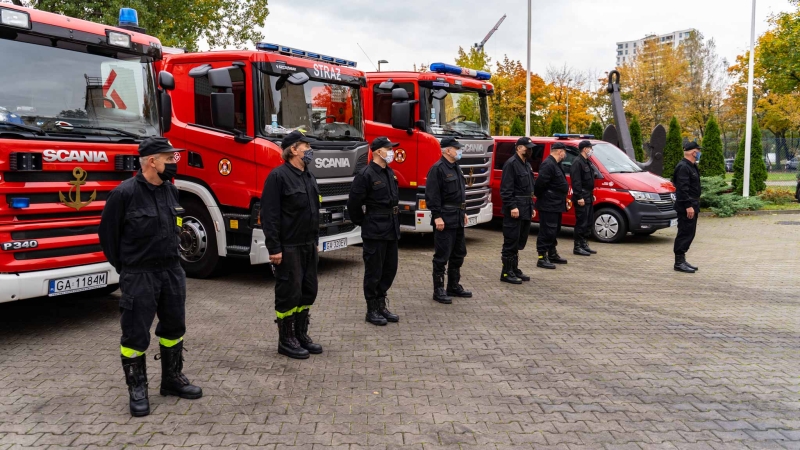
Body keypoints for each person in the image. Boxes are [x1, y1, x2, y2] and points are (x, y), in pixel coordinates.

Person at [99, 137, 202, 418]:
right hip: (139, 274)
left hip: (171, 271)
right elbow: (108, 238)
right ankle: (138, 388)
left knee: (173, 328)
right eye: (169, 159)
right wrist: (128, 269)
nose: (173, 163)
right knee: (134, 334)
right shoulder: (124, 194)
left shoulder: (171, 191)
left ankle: (171, 379)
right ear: (152, 161)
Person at [260, 130, 323, 359]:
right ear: (293, 150)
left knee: (308, 290)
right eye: (306, 146)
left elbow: (314, 210)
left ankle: (300, 334)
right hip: (288, 246)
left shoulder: (309, 176)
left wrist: (315, 240)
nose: (310, 150)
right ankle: (286, 339)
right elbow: (270, 215)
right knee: (289, 292)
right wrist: (274, 248)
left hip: (308, 245)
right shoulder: (278, 177)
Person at [347, 137, 401, 326]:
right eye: (389, 148)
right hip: (374, 230)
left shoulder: (389, 172)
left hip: (391, 228)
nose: (392, 152)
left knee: (389, 269)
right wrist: (363, 222)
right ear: (378, 151)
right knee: (374, 271)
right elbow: (353, 204)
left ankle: (381, 304)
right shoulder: (366, 175)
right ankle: (372, 309)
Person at [425, 137, 471, 304]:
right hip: (445, 217)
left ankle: (453, 285)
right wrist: (437, 216)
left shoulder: (456, 167)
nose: (459, 151)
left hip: (457, 217)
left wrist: (463, 211)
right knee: (442, 255)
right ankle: (438, 290)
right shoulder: (438, 169)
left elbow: (460, 194)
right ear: (446, 150)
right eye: (456, 148)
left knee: (459, 253)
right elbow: (432, 195)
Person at [499, 137, 536, 284]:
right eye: (527, 147)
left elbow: (530, 189)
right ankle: (506, 272)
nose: (529, 150)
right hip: (515, 209)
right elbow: (506, 189)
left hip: (525, 207)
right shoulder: (511, 164)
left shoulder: (526, 164)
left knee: (520, 240)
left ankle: (514, 268)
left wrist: (532, 206)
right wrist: (512, 206)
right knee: (511, 240)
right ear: (519, 148)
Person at [534, 142, 570, 269]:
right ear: (560, 152)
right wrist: (545, 197)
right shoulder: (548, 164)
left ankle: (552, 253)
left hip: (556, 203)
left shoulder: (557, 164)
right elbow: (539, 185)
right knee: (547, 230)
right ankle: (542, 257)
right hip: (548, 204)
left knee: (555, 229)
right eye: (564, 152)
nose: (565, 155)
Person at [672, 142, 702, 273]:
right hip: (686, 205)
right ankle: (678, 262)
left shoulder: (692, 166)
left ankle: (682, 260)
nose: (700, 153)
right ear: (693, 152)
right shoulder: (683, 167)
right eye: (698, 150)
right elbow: (682, 189)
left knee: (689, 232)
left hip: (692, 204)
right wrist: (688, 206)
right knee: (684, 233)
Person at [570, 140, 598, 256]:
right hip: (581, 196)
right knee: (581, 222)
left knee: (588, 222)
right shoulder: (577, 162)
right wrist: (579, 197)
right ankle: (577, 246)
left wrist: (591, 194)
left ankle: (584, 244)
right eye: (590, 148)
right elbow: (576, 182)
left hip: (588, 195)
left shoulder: (587, 162)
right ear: (585, 149)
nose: (592, 150)